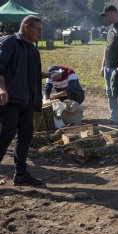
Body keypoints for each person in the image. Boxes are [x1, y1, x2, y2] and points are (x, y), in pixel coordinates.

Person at [0, 15, 51, 186]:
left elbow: (31, 72)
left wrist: (49, 75)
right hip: (10, 99)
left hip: (27, 100)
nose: (40, 32)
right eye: (38, 29)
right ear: (27, 27)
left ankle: (21, 174)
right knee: (5, 134)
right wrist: (1, 88)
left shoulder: (32, 48)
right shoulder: (10, 42)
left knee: (26, 136)